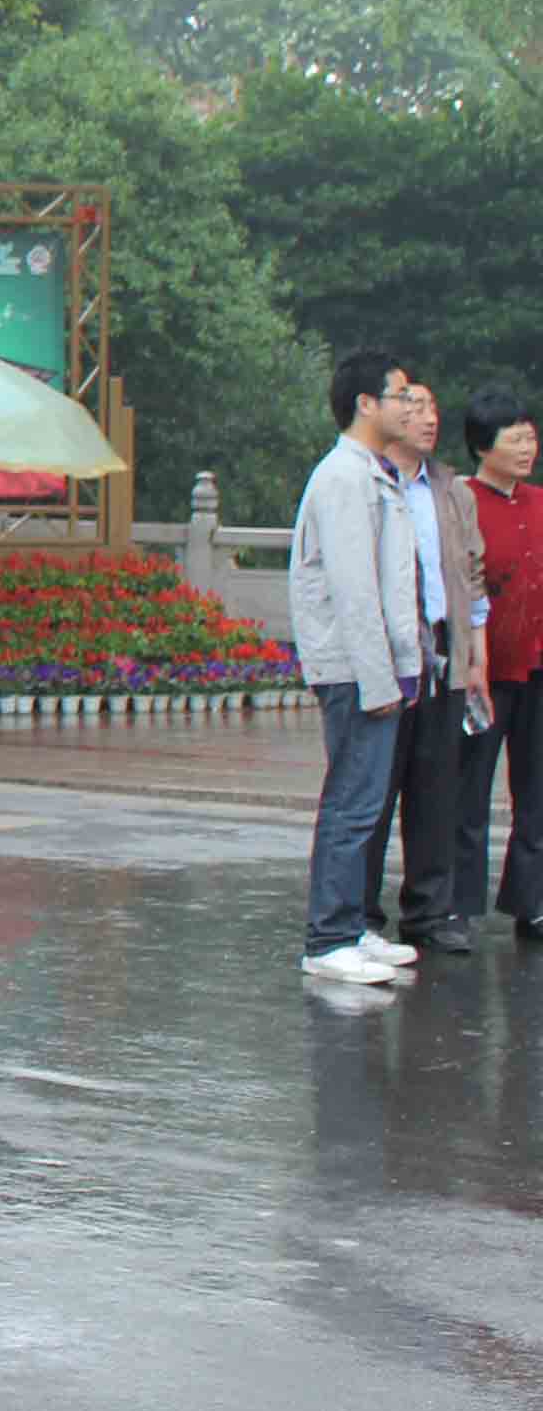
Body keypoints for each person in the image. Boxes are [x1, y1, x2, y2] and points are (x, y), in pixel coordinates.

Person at [293, 350, 429, 987]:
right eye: (400, 395)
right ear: (366, 404)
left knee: (367, 804)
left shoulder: (373, 473)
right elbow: (354, 590)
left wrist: (406, 665)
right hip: (353, 668)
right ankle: (328, 938)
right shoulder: (344, 478)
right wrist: (380, 681)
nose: (411, 406)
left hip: (373, 666)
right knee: (351, 803)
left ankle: (351, 927)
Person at [363, 380, 487, 955]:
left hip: (443, 650)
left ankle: (429, 912)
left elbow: (472, 574)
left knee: (436, 791)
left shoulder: (451, 489)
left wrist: (474, 655)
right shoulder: (369, 481)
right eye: (415, 407)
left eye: (434, 408)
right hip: (389, 653)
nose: (429, 418)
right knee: (374, 789)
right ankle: (359, 914)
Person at [461, 390, 543, 942]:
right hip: (483, 673)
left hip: (537, 668)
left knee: (536, 791)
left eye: (530, 437)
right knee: (468, 790)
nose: (526, 448)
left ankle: (531, 902)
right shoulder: (461, 503)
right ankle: (458, 907)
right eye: (514, 439)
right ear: (482, 446)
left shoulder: (539, 502)